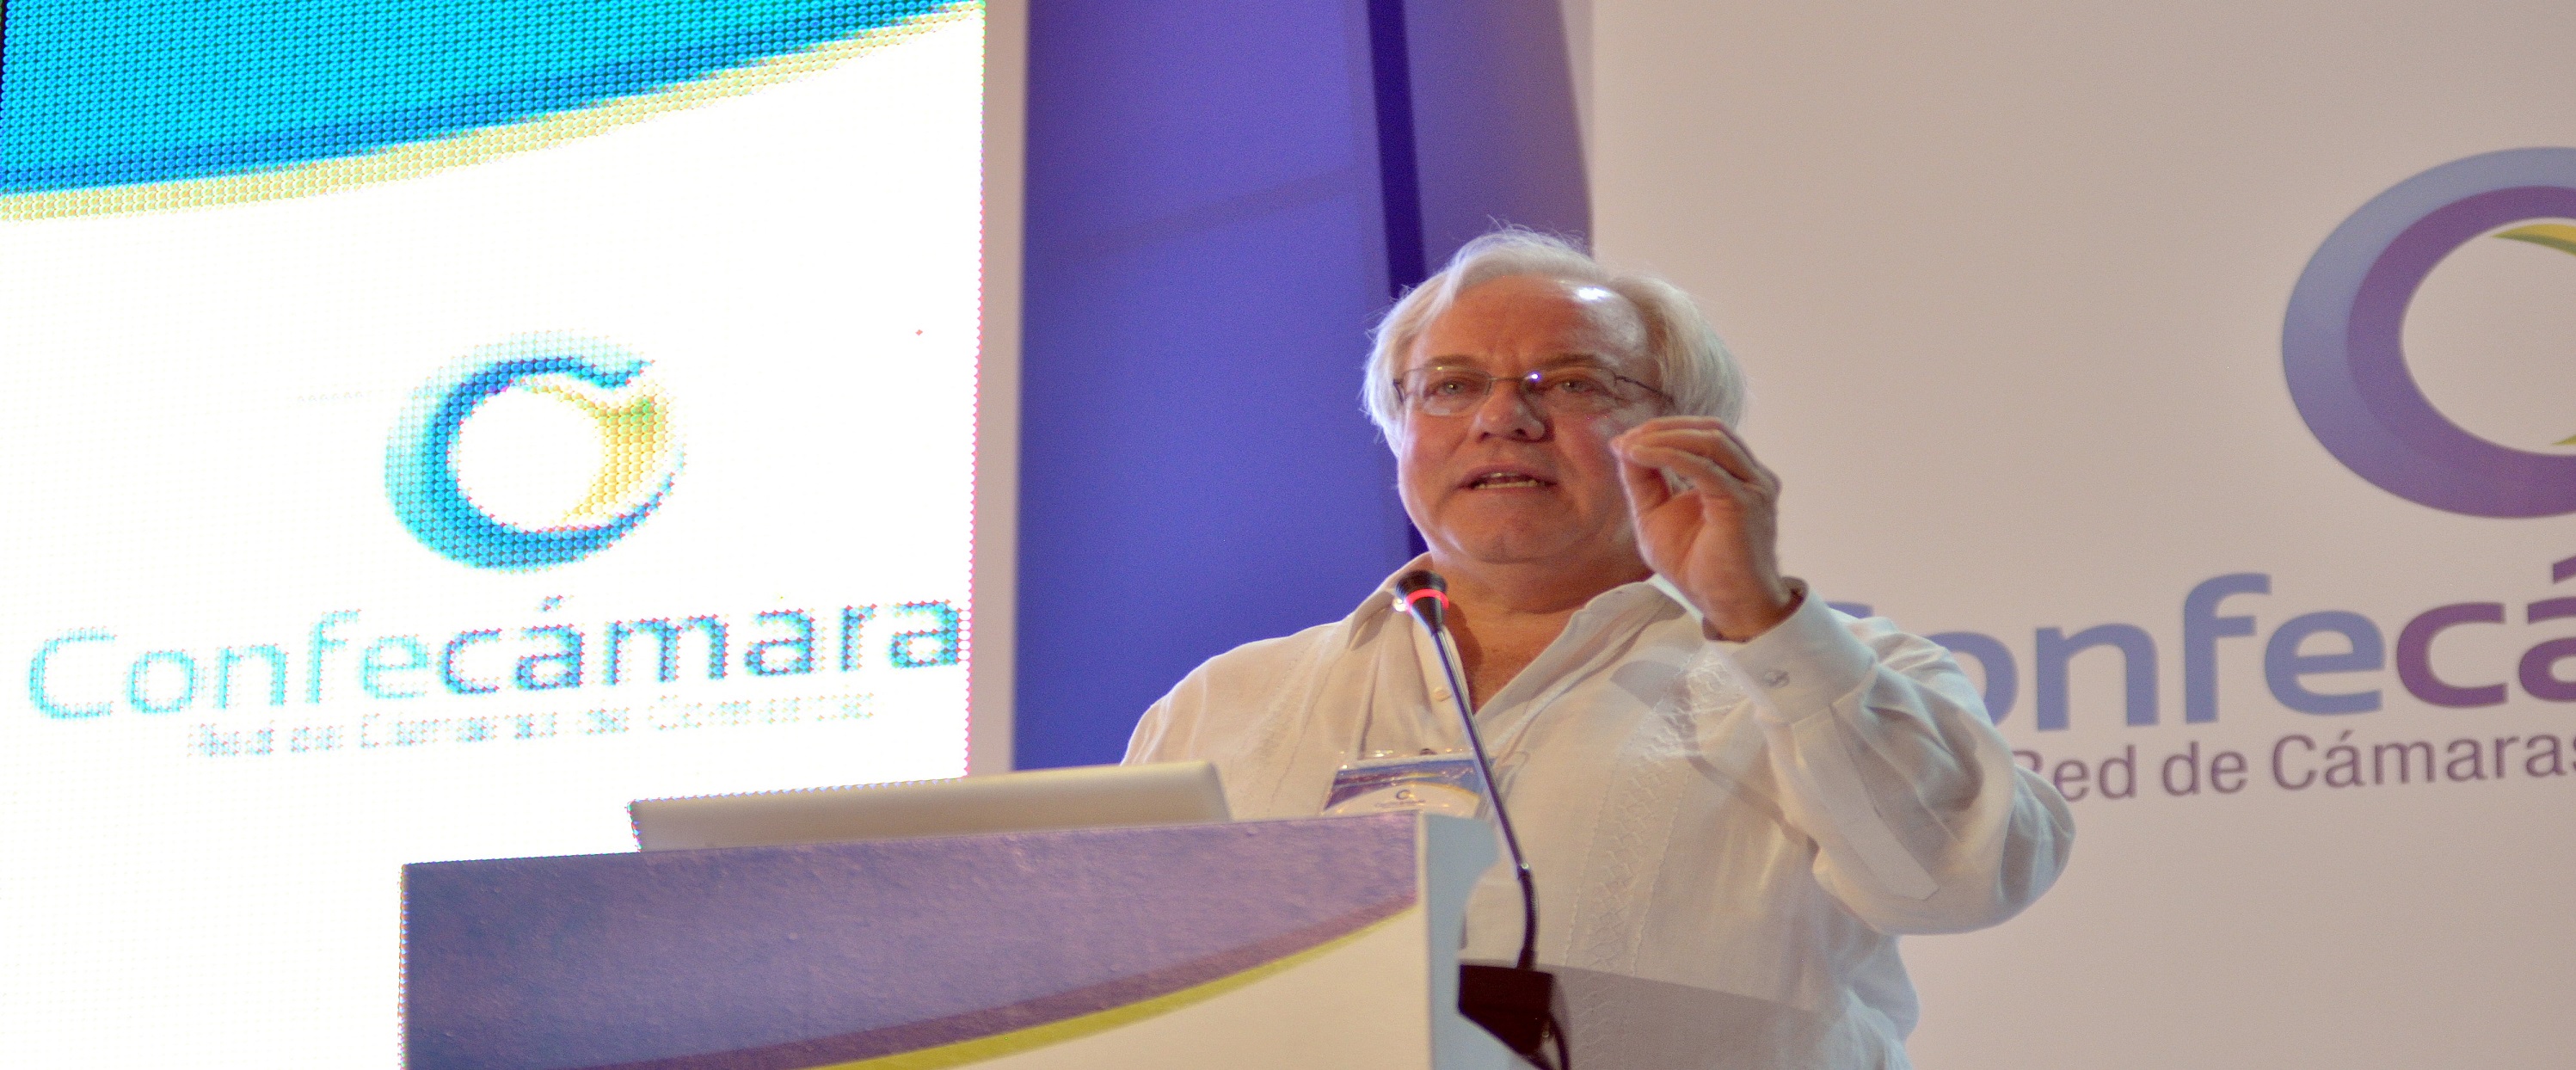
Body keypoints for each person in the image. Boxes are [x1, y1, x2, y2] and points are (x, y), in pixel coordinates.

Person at [1124, 231, 2073, 1069]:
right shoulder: (1226, 702)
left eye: (1572, 382)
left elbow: (1958, 880)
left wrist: (1756, 616)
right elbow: (1120, 998)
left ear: (1681, 432)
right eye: (1451, 385)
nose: (1503, 417)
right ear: (1398, 428)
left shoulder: (1835, 670)